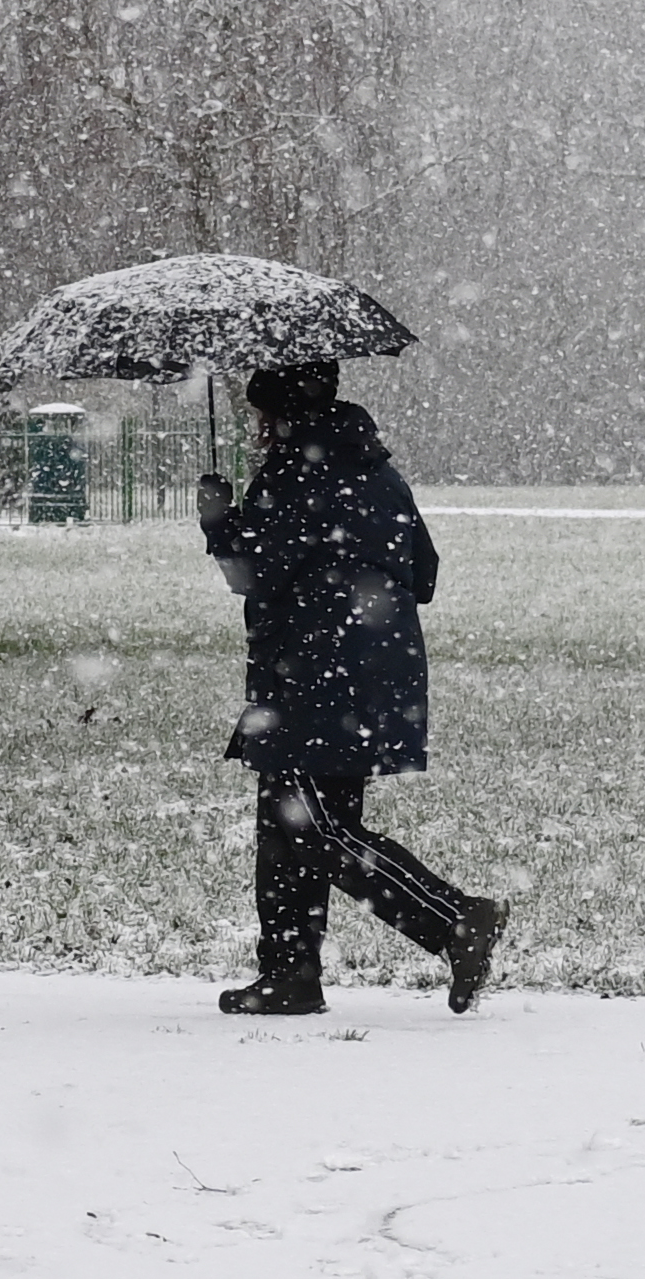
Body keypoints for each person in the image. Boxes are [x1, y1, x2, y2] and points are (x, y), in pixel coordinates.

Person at [195, 361, 505, 1017]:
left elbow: (252, 572)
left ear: (282, 414)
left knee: (311, 826)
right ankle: (290, 973)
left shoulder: (297, 471)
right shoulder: (375, 469)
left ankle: (454, 920)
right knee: (292, 822)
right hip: (372, 671)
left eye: (261, 416)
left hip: (313, 673)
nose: (257, 429)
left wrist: (221, 520)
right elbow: (425, 571)